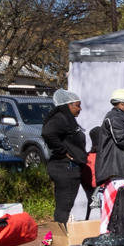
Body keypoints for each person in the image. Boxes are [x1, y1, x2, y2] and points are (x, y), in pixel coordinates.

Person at [42, 89, 90, 224]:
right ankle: (62, 238)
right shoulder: (60, 119)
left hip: (68, 168)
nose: (80, 108)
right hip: (65, 168)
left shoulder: (67, 120)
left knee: (64, 206)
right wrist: (61, 151)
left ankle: (61, 236)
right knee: (64, 207)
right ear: (68, 105)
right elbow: (47, 133)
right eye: (78, 105)